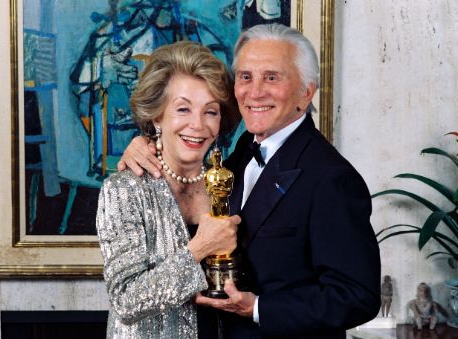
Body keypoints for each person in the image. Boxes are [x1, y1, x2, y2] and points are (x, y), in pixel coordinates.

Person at [118, 24, 381, 338]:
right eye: (245, 76)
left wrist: (259, 308)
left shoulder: (332, 178)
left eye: (271, 77)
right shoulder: (243, 150)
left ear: (305, 92)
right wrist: (147, 143)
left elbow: (357, 297)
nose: (255, 92)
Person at [96, 41, 241, 338]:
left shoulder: (231, 182)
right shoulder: (124, 190)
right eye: (183, 109)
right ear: (156, 116)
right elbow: (126, 299)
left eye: (210, 112)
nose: (197, 125)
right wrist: (199, 248)